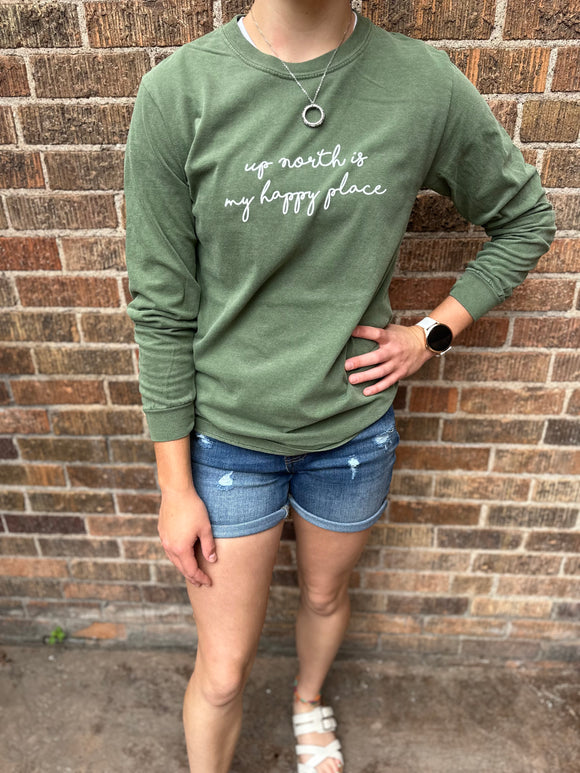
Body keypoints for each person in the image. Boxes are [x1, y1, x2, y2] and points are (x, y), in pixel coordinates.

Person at [123, 1, 556, 771]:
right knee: (221, 673)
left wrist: (431, 334)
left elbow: (525, 218)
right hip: (226, 441)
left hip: (352, 436)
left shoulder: (419, 85)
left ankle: (306, 697)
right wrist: (174, 485)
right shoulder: (179, 93)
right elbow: (161, 309)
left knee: (325, 595)